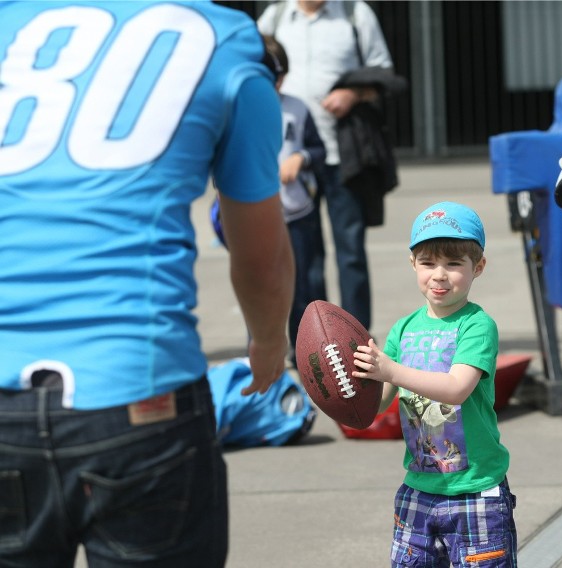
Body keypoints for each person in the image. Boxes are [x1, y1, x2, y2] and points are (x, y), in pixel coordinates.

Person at [0, 2, 294, 566]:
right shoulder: (225, 41)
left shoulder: (13, 24)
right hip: (139, 388)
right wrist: (267, 341)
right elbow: (261, 258)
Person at [352, 202, 517, 567]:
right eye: (428, 263)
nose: (439, 275)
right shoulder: (403, 329)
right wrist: (343, 386)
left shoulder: (476, 325)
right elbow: (378, 405)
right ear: (413, 264)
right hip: (419, 488)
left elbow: (457, 387)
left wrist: (390, 370)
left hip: (475, 489)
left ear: (479, 267)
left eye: (454, 264)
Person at [257, 0, 394, 332]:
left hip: (341, 157)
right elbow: (248, 68)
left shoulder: (353, 13)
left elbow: (383, 72)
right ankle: (310, 341)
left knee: (351, 254)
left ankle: (357, 342)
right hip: (291, 165)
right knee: (301, 260)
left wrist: (353, 93)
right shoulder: (273, 19)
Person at [213, 35, 327, 359]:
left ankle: (310, 351)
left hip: (296, 210)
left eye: (278, 78)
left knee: (306, 283)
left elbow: (318, 150)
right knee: (259, 282)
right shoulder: (234, 110)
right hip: (253, 215)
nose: (274, 85)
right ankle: (261, 348)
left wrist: (301, 158)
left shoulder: (296, 108)